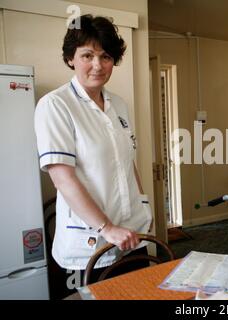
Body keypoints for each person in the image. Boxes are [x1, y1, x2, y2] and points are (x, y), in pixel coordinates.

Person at [34, 14, 152, 296]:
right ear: (71, 59)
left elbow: (128, 162)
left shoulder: (119, 105)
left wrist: (143, 204)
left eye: (106, 56)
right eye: (87, 55)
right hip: (88, 246)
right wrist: (107, 227)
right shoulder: (56, 105)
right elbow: (63, 179)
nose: (98, 65)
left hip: (131, 233)